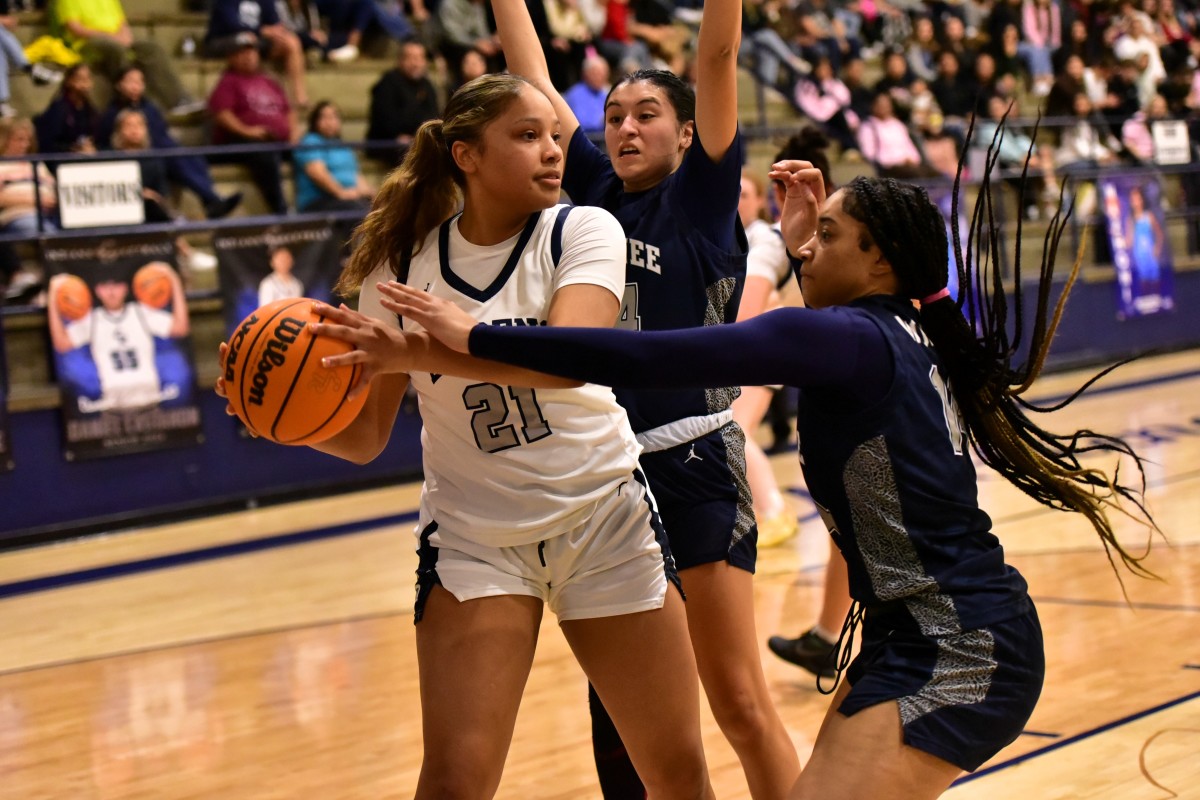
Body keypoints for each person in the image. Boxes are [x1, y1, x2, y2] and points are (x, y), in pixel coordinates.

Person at [381, 149, 1159, 800]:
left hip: (958, 645)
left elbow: (649, 355)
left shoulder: (846, 339)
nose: (808, 246)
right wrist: (800, 250)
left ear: (878, 258)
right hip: (922, 635)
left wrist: (481, 337)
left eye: (829, 233)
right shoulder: (898, 329)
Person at [238, 73, 715, 798]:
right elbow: (365, 436)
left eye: (554, 136)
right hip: (476, 538)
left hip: (603, 520)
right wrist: (271, 421)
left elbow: (572, 358)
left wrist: (427, 351)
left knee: (677, 774)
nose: (553, 153)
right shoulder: (398, 269)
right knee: (456, 781)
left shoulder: (583, 228)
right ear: (465, 155)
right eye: (527, 137)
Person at [490, 0, 801, 796]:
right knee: (624, 721)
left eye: (648, 115)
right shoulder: (595, 194)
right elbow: (533, 80)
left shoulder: (699, 197)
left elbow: (719, 58)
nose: (625, 129)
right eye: (613, 116)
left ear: (688, 133)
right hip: (611, 479)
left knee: (736, 701)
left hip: (694, 463)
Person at [96, 65, 242, 220]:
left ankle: (210, 200)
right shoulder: (112, 113)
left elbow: (162, 132)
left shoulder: (150, 107)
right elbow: (106, 143)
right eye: (130, 81)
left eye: (139, 82)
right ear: (119, 85)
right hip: (140, 157)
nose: (135, 86)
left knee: (192, 157)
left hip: (164, 150)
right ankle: (212, 200)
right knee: (176, 159)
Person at [48, 264, 189, 412]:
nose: (111, 292)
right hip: (114, 404)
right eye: (105, 286)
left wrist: (174, 280)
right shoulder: (92, 320)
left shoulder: (141, 313)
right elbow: (61, 343)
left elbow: (180, 328)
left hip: (150, 399)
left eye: (116, 285)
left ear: (126, 288)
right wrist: (53, 297)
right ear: (97, 291)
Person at [52, 0, 203, 115]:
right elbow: (76, 28)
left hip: (114, 40)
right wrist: (111, 37)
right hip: (86, 45)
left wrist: (125, 39)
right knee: (114, 49)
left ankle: (177, 99)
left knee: (151, 49)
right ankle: (132, 102)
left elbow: (123, 26)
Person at [207, 33, 296, 216]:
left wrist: (293, 134)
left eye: (252, 52)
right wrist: (249, 131)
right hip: (241, 141)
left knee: (312, 149)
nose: (248, 56)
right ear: (231, 57)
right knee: (264, 155)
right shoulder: (229, 81)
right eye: (242, 53)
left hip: (277, 141)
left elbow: (289, 110)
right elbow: (222, 114)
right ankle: (281, 210)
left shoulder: (269, 81)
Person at [205, 0, 309, 109]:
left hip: (257, 39)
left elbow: (274, 23)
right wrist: (261, 31)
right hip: (224, 39)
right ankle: (246, 100)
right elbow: (231, 24)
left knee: (292, 42)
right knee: (247, 39)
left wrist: (277, 32)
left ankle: (299, 97)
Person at [365, 38, 440, 167]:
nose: (415, 63)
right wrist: (401, 135)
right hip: (388, 142)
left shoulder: (427, 85)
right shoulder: (388, 82)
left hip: (417, 139)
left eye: (419, 58)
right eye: (410, 58)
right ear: (400, 60)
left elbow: (433, 115)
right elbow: (385, 119)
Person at [293, 101, 374, 213]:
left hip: (348, 199)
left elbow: (355, 175)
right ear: (315, 121)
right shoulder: (310, 141)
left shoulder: (343, 146)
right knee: (358, 212)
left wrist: (368, 192)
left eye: (334, 117)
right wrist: (341, 192)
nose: (330, 122)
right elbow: (317, 173)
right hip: (320, 201)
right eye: (325, 117)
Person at [0, 117, 57, 235]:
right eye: (19, 139)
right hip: (18, 215)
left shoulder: (37, 164)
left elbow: (54, 187)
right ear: (5, 139)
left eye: (28, 140)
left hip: (52, 214)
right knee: (44, 232)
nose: (25, 144)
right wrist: (35, 200)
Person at [33, 62, 98, 158]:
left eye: (87, 79)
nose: (85, 84)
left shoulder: (90, 110)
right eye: (80, 79)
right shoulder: (58, 109)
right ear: (69, 81)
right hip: (62, 159)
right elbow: (48, 144)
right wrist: (72, 149)